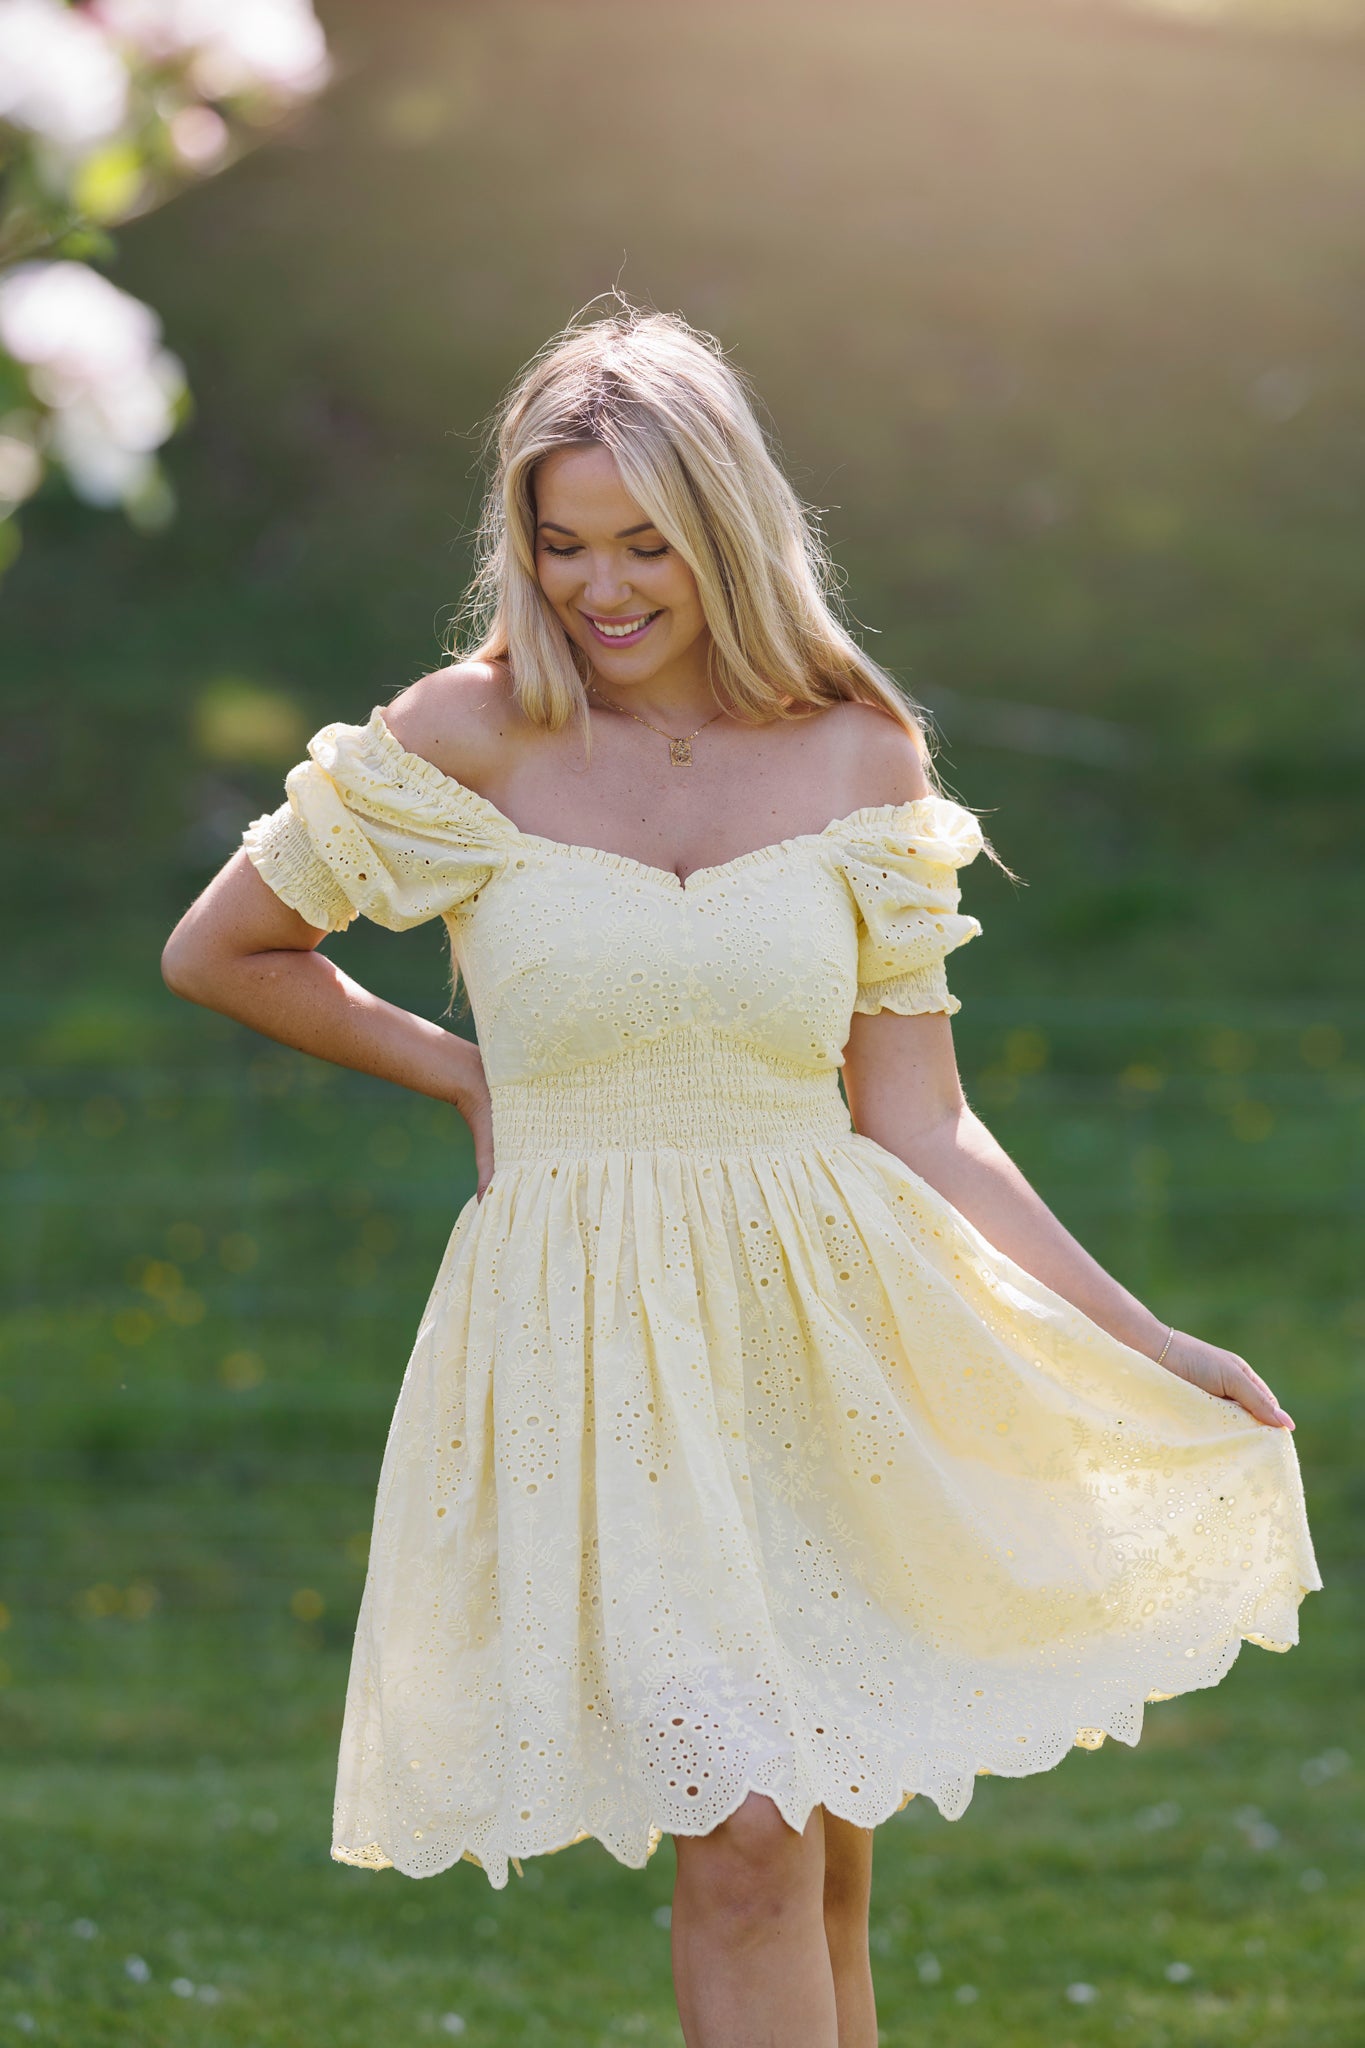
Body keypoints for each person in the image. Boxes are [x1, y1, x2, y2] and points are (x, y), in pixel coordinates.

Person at [161, 303, 1320, 2048]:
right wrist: (468, 1071)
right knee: (751, 1837)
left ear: (727, 531)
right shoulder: (462, 738)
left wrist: (1145, 1340)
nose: (599, 589)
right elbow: (227, 948)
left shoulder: (859, 756)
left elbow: (920, 1120)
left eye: (645, 545)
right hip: (596, 1336)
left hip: (824, 1329)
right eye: (560, 545)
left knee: (823, 1837)